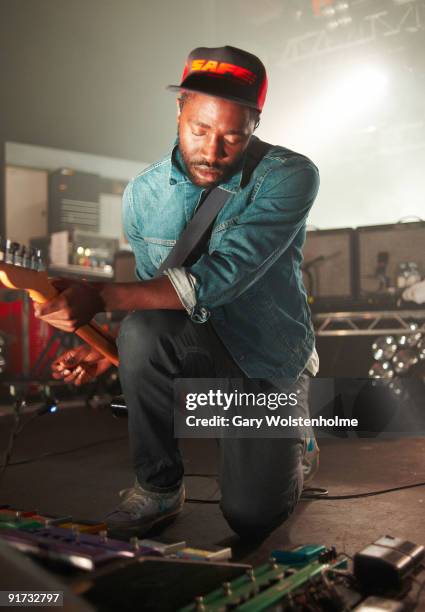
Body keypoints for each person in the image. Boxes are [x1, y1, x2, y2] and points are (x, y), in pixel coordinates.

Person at [35, 46, 320, 539]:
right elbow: (157, 303)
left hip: (265, 358)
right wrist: (111, 350)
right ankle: (159, 487)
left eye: (233, 136)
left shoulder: (291, 176)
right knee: (142, 332)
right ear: (179, 110)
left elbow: (220, 277)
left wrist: (100, 297)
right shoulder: (142, 195)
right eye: (200, 130)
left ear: (255, 122)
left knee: (251, 517)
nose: (212, 151)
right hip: (203, 345)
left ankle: (298, 441)